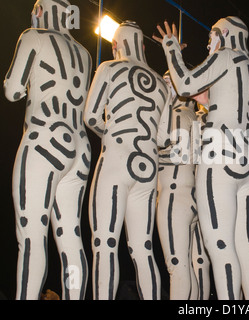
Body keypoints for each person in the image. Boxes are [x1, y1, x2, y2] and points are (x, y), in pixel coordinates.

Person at [153, 17, 249, 300]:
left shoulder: (225, 55)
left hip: (221, 154)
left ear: (224, 33)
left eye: (211, 36)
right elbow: (230, 100)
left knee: (220, 244)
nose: (208, 43)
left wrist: (171, 48)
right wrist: (209, 100)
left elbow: (184, 83)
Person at [4, 0, 91, 300]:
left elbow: (13, 90)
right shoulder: (84, 52)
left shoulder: (34, 36)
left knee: (31, 236)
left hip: (45, 136)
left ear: (39, 11)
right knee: (71, 237)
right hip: (79, 146)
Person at [84, 21, 171, 300]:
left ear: (115, 45)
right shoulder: (161, 84)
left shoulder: (109, 68)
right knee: (143, 248)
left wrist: (111, 133)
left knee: (105, 242)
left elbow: (91, 117)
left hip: (116, 158)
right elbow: (166, 137)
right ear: (143, 47)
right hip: (147, 165)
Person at [156, 71, 201, 299]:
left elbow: (160, 140)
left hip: (174, 196)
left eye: (167, 83)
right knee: (186, 266)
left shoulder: (175, 115)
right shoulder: (194, 117)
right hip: (190, 195)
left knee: (176, 266)